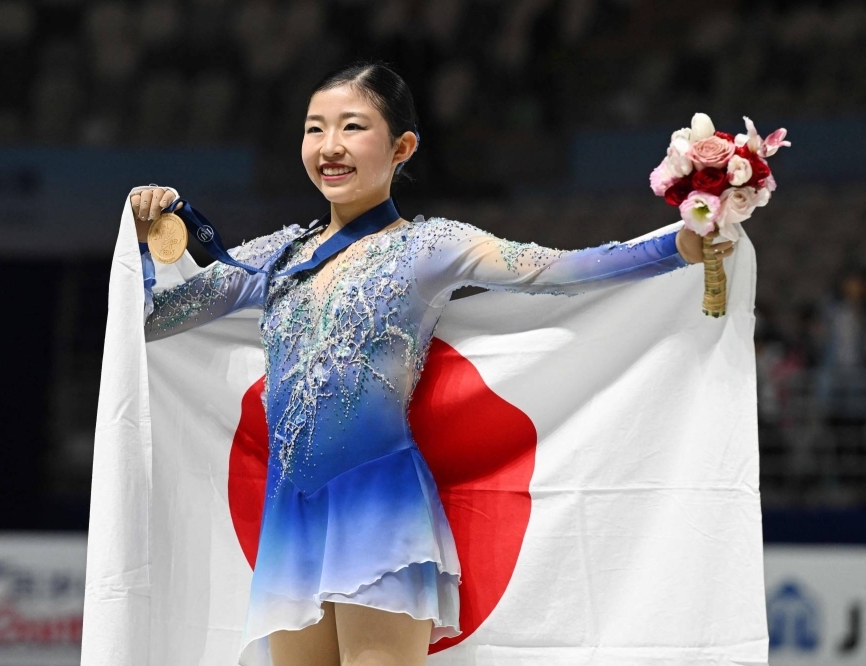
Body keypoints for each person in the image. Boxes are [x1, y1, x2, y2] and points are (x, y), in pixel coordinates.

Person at [125, 60, 734, 666]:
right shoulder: (276, 255)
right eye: (315, 129)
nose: (329, 147)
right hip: (292, 514)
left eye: (352, 127)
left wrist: (675, 246)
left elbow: (551, 271)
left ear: (402, 146)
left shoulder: (428, 246)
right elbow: (147, 320)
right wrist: (143, 241)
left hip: (378, 508)